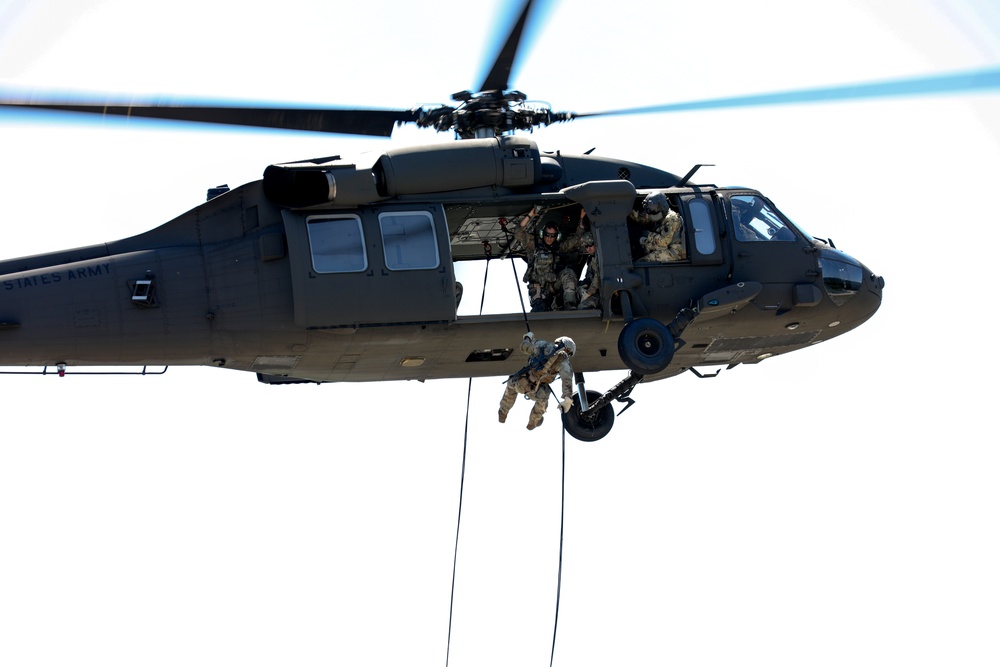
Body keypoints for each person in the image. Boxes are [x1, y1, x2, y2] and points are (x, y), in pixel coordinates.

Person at [513, 206, 587, 311]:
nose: (549, 238)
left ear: (556, 236)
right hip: (538, 287)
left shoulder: (559, 247)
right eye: (547, 235)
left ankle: (570, 305)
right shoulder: (533, 245)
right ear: (543, 234)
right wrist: (530, 216)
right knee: (540, 310)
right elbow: (518, 233)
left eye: (552, 235)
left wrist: (581, 218)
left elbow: (576, 239)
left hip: (553, 286)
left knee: (568, 273)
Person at [499, 332, 577, 430]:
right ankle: (534, 421)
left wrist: (528, 337)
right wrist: (567, 398)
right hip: (537, 391)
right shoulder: (563, 362)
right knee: (544, 396)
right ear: (568, 349)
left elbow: (524, 347)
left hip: (522, 383)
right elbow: (567, 379)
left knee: (511, 383)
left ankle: (503, 412)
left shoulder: (541, 345)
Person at [628, 192, 685, 262]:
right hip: (663, 247)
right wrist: (629, 214)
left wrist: (647, 235)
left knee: (642, 262)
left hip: (673, 252)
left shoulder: (672, 219)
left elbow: (663, 241)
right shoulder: (660, 214)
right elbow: (645, 219)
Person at [576, 231, 601, 310]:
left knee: (582, 307)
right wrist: (583, 285)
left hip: (600, 294)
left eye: (590, 245)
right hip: (593, 292)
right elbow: (589, 277)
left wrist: (588, 293)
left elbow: (598, 277)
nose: (589, 248)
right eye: (586, 246)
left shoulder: (600, 259)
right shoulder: (591, 259)